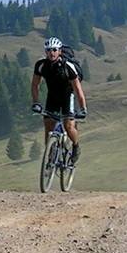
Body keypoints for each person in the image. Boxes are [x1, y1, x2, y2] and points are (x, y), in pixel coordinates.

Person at [31, 36, 87, 164]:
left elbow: (78, 89)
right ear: (46, 52)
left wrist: (83, 108)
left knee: (68, 125)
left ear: (60, 51)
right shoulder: (41, 65)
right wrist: (36, 103)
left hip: (68, 96)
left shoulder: (68, 67)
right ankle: (49, 154)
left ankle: (76, 146)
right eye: (49, 50)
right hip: (53, 97)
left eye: (55, 50)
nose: (52, 52)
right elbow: (35, 85)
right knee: (48, 125)